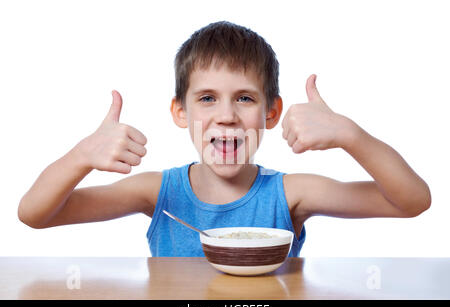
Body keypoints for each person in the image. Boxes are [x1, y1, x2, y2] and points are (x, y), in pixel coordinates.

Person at [18, 21, 431, 257]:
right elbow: (35, 214)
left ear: (271, 112)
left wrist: (349, 134)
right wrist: (81, 156)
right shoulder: (157, 191)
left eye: (245, 98)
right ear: (181, 112)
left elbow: (411, 201)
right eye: (208, 98)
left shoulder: (289, 194)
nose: (227, 116)